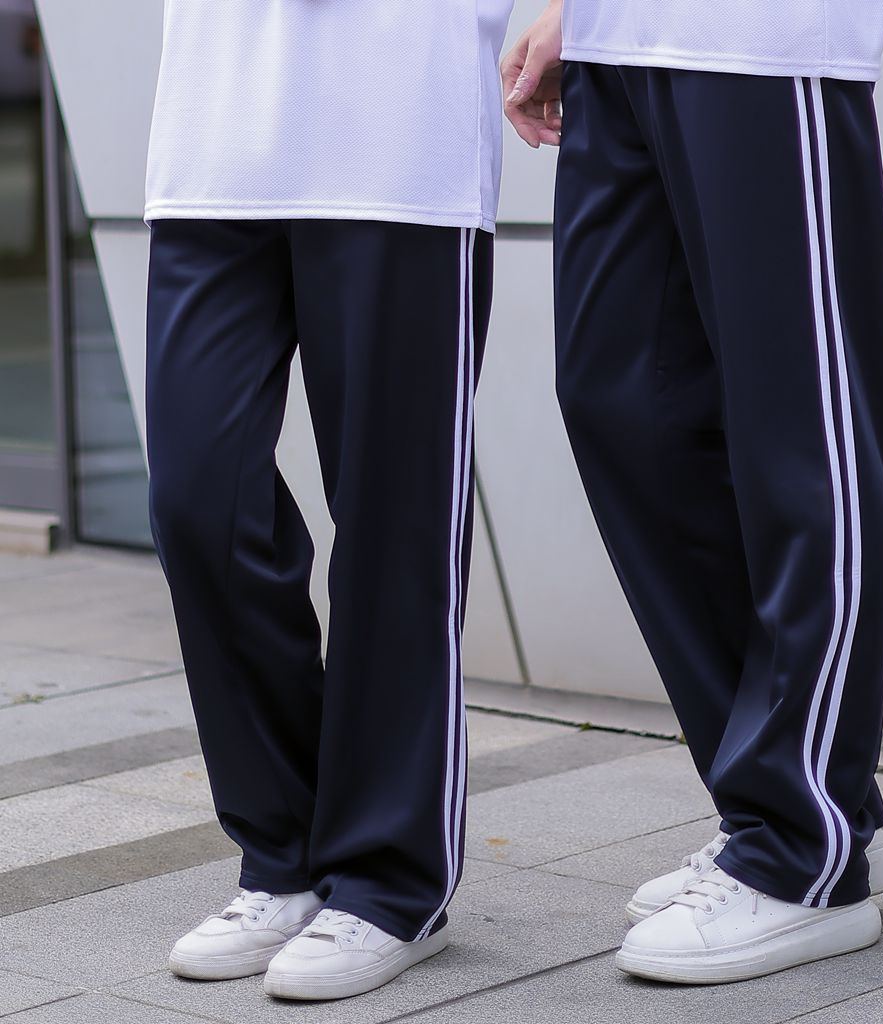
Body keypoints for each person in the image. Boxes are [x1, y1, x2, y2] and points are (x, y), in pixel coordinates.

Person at [504, 0, 883, 984]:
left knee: (800, 431)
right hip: (616, 38)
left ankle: (797, 844)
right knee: (622, 403)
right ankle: (825, 804)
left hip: (761, 37)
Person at [144, 0, 512, 1001]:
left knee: (394, 526)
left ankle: (392, 882)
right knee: (197, 501)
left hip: (400, 145)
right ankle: (287, 853)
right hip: (214, 139)